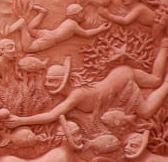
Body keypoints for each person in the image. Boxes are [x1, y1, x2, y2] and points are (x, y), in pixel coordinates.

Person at [9, 37, 168, 127]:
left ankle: (164, 50)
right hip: (118, 75)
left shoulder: (76, 95)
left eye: (51, 81)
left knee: (146, 109)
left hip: (123, 81)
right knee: (154, 81)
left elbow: (52, 115)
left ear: (63, 81)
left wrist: (22, 121)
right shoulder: (76, 93)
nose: (46, 84)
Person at [7, 2, 108, 53]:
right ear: (75, 15)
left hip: (48, 33)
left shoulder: (69, 21)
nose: (83, 15)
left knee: (31, 30)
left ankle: (42, 13)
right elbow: (86, 34)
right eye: (81, 13)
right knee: (27, 48)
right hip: (50, 39)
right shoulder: (73, 25)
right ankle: (21, 25)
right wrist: (100, 29)